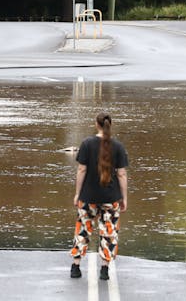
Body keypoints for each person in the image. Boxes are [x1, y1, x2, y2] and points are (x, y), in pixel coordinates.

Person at [70, 111, 129, 281]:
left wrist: (77, 194)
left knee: (82, 229)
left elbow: (82, 170)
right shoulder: (118, 146)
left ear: (96, 124)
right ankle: (104, 269)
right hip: (111, 197)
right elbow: (122, 174)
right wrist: (124, 198)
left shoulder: (87, 144)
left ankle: (76, 266)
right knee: (109, 232)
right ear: (111, 124)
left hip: (88, 197)